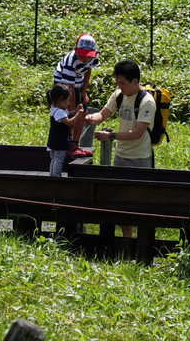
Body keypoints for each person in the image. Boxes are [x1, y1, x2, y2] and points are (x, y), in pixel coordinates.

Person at [85, 58, 156, 237]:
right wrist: (87, 117)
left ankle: (141, 245)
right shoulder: (119, 95)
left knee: (139, 204)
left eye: (123, 83)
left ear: (135, 81)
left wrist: (111, 136)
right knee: (122, 204)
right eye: (118, 83)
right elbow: (102, 115)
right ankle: (127, 242)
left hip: (140, 158)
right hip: (121, 157)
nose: (120, 87)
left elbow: (138, 132)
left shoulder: (147, 102)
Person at [53, 33, 100, 158]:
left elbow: (88, 70)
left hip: (78, 82)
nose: (85, 59)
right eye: (82, 55)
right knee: (70, 114)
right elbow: (70, 88)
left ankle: (74, 144)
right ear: (75, 50)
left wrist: (84, 92)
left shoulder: (94, 56)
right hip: (63, 84)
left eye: (88, 56)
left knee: (83, 112)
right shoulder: (70, 61)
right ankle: (66, 144)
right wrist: (73, 109)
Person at [46, 83, 85, 176]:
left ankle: (52, 175)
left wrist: (76, 110)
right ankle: (56, 176)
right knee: (58, 159)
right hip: (59, 141)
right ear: (60, 99)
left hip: (54, 140)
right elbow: (69, 122)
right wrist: (78, 115)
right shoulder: (59, 112)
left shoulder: (58, 109)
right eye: (68, 101)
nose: (68, 103)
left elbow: (69, 114)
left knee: (54, 159)